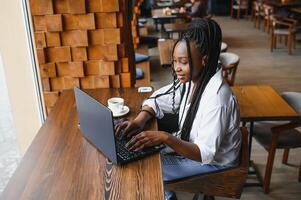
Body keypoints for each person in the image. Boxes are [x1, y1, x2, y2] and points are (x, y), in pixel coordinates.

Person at [116, 18, 241, 200]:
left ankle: (167, 196)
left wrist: (166, 138)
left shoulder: (217, 99)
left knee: (147, 169)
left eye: (183, 62)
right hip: (197, 151)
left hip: (215, 164)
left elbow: (205, 153)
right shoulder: (193, 81)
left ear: (204, 60)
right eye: (174, 61)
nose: (177, 69)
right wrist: (139, 120)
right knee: (141, 157)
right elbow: (160, 97)